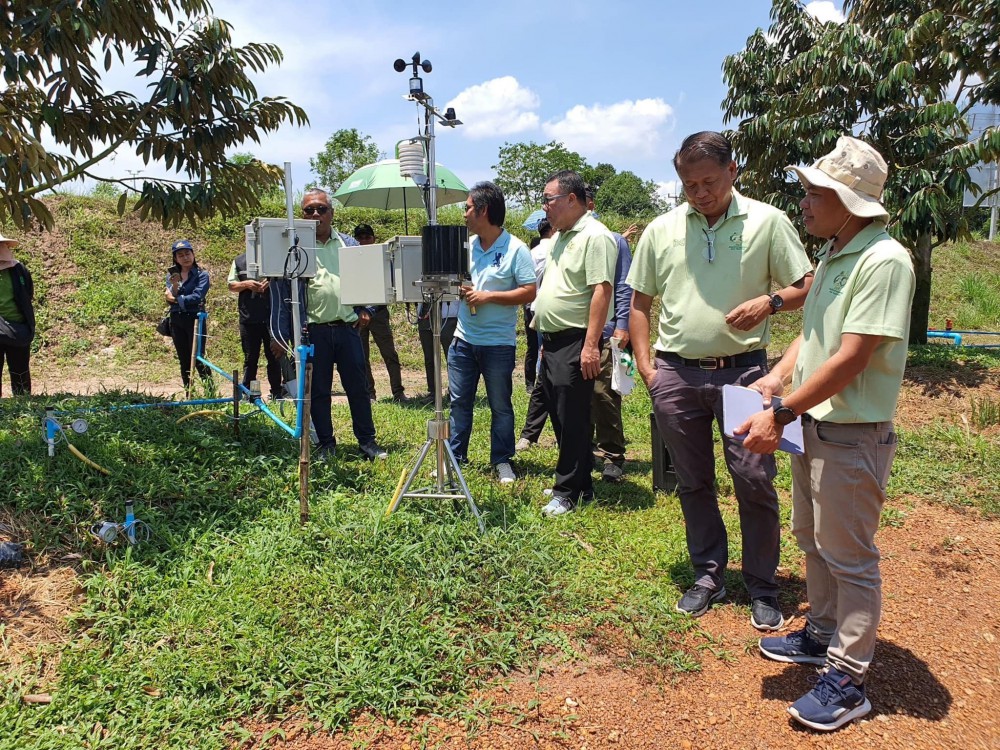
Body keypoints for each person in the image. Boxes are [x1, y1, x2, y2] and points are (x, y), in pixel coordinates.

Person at [737, 137, 914, 731]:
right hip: (816, 423)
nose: (805, 202)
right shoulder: (836, 253)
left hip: (851, 432)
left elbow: (853, 357)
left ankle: (849, 677)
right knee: (812, 537)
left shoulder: (883, 261)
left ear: (850, 202)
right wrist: (778, 376)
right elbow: (813, 336)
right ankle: (820, 633)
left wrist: (781, 411)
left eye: (816, 193)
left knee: (850, 555)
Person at [627, 131, 814, 630]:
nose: (700, 193)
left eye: (709, 181)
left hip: (746, 375)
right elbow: (640, 302)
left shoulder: (767, 221)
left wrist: (769, 302)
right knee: (693, 481)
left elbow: (806, 286)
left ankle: (762, 583)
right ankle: (708, 574)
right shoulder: (662, 230)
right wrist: (648, 369)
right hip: (675, 374)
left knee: (754, 479)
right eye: (689, 185)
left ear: (733, 171)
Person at [269, 189, 386, 462]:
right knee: (318, 391)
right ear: (302, 215)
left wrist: (367, 309)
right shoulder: (293, 248)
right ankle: (325, 444)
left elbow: (370, 277)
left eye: (321, 209)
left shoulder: (349, 244)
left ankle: (367, 442)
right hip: (313, 333)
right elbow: (280, 294)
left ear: (331, 213)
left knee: (358, 388)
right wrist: (280, 334)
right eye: (309, 210)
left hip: (348, 329)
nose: (315, 214)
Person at [534, 170, 618, 517]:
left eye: (548, 200)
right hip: (554, 340)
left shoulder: (595, 236)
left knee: (573, 419)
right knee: (561, 415)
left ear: (571, 199)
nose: (545, 207)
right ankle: (580, 484)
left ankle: (565, 491)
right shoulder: (561, 237)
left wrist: (590, 345)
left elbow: (602, 290)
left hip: (577, 339)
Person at [448, 182, 536, 482]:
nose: (464, 214)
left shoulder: (516, 249)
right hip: (463, 340)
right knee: (459, 403)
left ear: (483, 211)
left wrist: (488, 297)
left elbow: (529, 291)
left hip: (498, 344)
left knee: (500, 405)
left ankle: (502, 460)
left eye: (468, 208)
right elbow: (456, 280)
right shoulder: (466, 246)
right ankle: (455, 458)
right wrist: (460, 289)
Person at [585, 185, 633, 483]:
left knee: (604, 393)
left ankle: (612, 454)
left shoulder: (615, 241)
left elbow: (625, 285)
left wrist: (622, 324)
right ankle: (584, 450)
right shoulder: (569, 241)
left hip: (608, 331)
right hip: (576, 332)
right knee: (581, 396)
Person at [354, 223, 406, 403]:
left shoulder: (383, 259)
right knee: (362, 357)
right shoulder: (351, 261)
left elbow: (388, 286)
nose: (364, 241)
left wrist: (370, 309)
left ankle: (398, 392)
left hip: (378, 312)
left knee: (389, 354)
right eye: (360, 238)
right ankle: (369, 394)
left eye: (367, 237)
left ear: (373, 239)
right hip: (357, 314)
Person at [228, 252, 282, 400]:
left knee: (274, 356)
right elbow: (231, 285)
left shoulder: (275, 256)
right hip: (249, 318)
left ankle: (277, 392)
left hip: (272, 317)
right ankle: (248, 393)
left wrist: (272, 282)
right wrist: (246, 284)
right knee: (250, 358)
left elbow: (288, 282)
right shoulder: (239, 261)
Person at [165, 239, 212, 390]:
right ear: (175, 258)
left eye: (187, 253)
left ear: (193, 254)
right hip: (176, 319)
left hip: (195, 319)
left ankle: (210, 390)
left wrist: (177, 300)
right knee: (184, 359)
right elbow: (168, 295)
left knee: (198, 357)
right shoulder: (172, 276)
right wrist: (174, 285)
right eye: (180, 255)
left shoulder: (202, 275)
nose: (185, 257)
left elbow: (197, 296)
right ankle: (188, 392)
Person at [0, 232, 34, 397]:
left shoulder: (19, 269)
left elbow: (27, 293)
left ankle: (22, 403)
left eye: (3, 245)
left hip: (18, 329)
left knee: (20, 372)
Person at [522, 219, 554, 392]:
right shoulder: (556, 250)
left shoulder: (531, 253)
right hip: (547, 305)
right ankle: (544, 382)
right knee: (547, 345)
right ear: (552, 230)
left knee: (532, 345)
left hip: (529, 304)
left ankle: (530, 383)